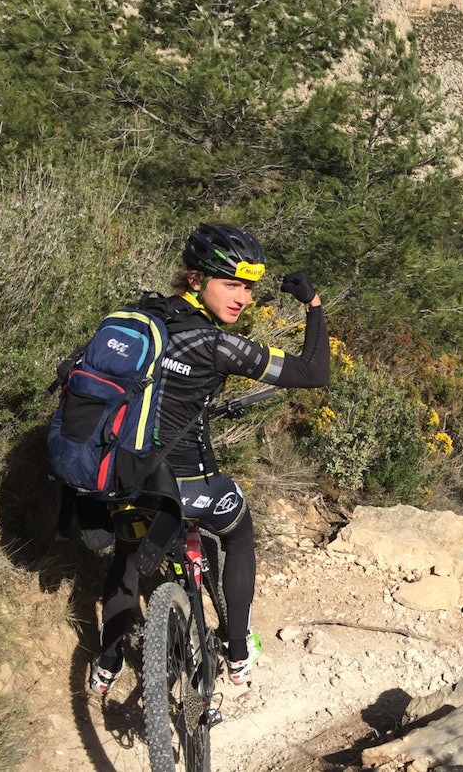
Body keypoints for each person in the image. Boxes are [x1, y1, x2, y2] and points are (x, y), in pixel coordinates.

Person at [89, 221, 330, 693]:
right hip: (189, 488)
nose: (243, 298)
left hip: (123, 476)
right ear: (197, 278)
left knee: (128, 552)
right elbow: (313, 372)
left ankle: (107, 663)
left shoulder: (143, 318)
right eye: (231, 284)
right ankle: (238, 652)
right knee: (239, 532)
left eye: (248, 288)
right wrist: (314, 305)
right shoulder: (217, 345)